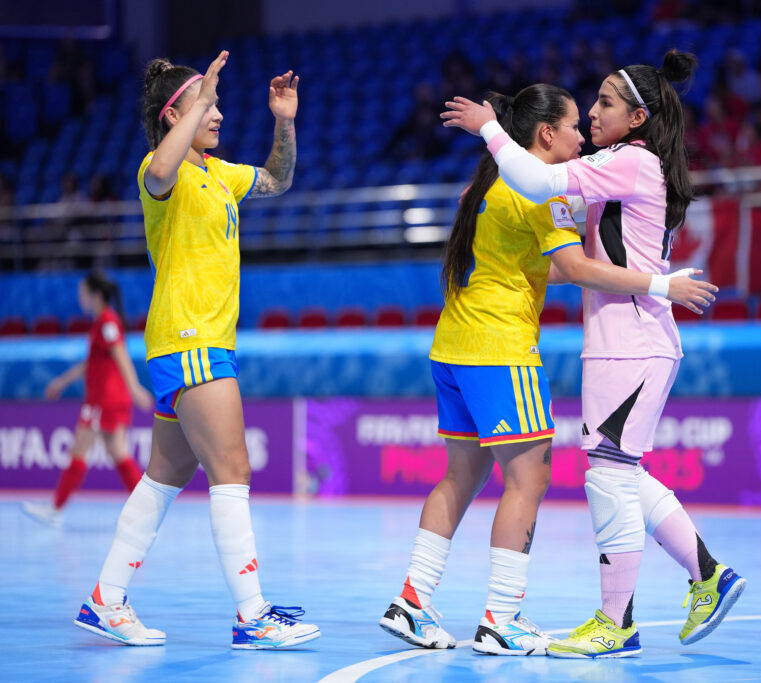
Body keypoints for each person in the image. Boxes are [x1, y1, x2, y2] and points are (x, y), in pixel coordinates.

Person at [380, 83, 716, 657]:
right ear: (546, 133)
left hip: (453, 347)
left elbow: (543, 267)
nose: (582, 137)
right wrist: (663, 285)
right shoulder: (543, 193)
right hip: (502, 350)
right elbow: (577, 270)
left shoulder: (484, 184)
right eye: (572, 127)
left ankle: (411, 601)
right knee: (528, 481)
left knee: (459, 478)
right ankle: (501, 617)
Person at [73, 51, 319, 650]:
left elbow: (278, 178)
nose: (219, 114)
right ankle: (253, 615)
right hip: (191, 339)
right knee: (232, 468)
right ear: (172, 115)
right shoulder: (158, 171)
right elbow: (161, 167)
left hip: (196, 342)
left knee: (166, 474)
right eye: (206, 105)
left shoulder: (218, 172)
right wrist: (198, 98)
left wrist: (283, 121)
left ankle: (106, 598)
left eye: (217, 103)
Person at [22, 270, 153, 527]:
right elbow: (91, 362)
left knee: (79, 451)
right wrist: (61, 382)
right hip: (105, 399)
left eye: (83, 293)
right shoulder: (102, 322)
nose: (80, 298)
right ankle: (146, 511)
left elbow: (120, 354)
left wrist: (135, 387)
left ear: (96, 295)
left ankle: (56, 509)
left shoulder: (107, 322)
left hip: (104, 400)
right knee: (119, 454)